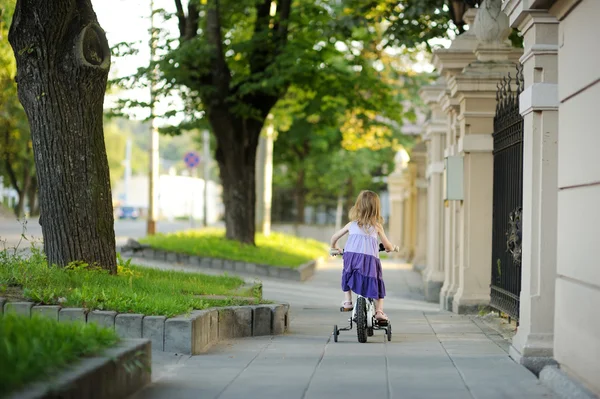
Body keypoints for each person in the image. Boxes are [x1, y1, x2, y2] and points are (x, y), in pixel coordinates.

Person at [330, 190, 398, 322]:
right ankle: (379, 311)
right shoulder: (377, 227)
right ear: (377, 209)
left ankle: (348, 301)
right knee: (377, 282)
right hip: (369, 260)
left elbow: (334, 237)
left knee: (347, 274)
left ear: (358, 206)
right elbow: (388, 246)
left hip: (351, 257)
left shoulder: (351, 225)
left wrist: (334, 247)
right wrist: (392, 248)